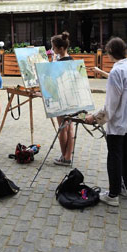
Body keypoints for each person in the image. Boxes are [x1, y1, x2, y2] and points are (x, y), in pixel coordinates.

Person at [86, 37, 127, 206]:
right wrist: (103, 73)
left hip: (119, 118)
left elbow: (111, 104)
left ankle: (113, 194)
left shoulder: (117, 71)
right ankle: (126, 185)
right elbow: (124, 85)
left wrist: (94, 117)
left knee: (114, 155)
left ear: (110, 52)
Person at [50, 32, 75, 166]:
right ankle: (68, 155)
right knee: (70, 127)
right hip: (71, 98)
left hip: (61, 98)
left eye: (54, 48)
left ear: (60, 48)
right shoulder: (71, 60)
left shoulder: (59, 64)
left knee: (62, 127)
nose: (52, 50)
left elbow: (54, 82)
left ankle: (64, 157)